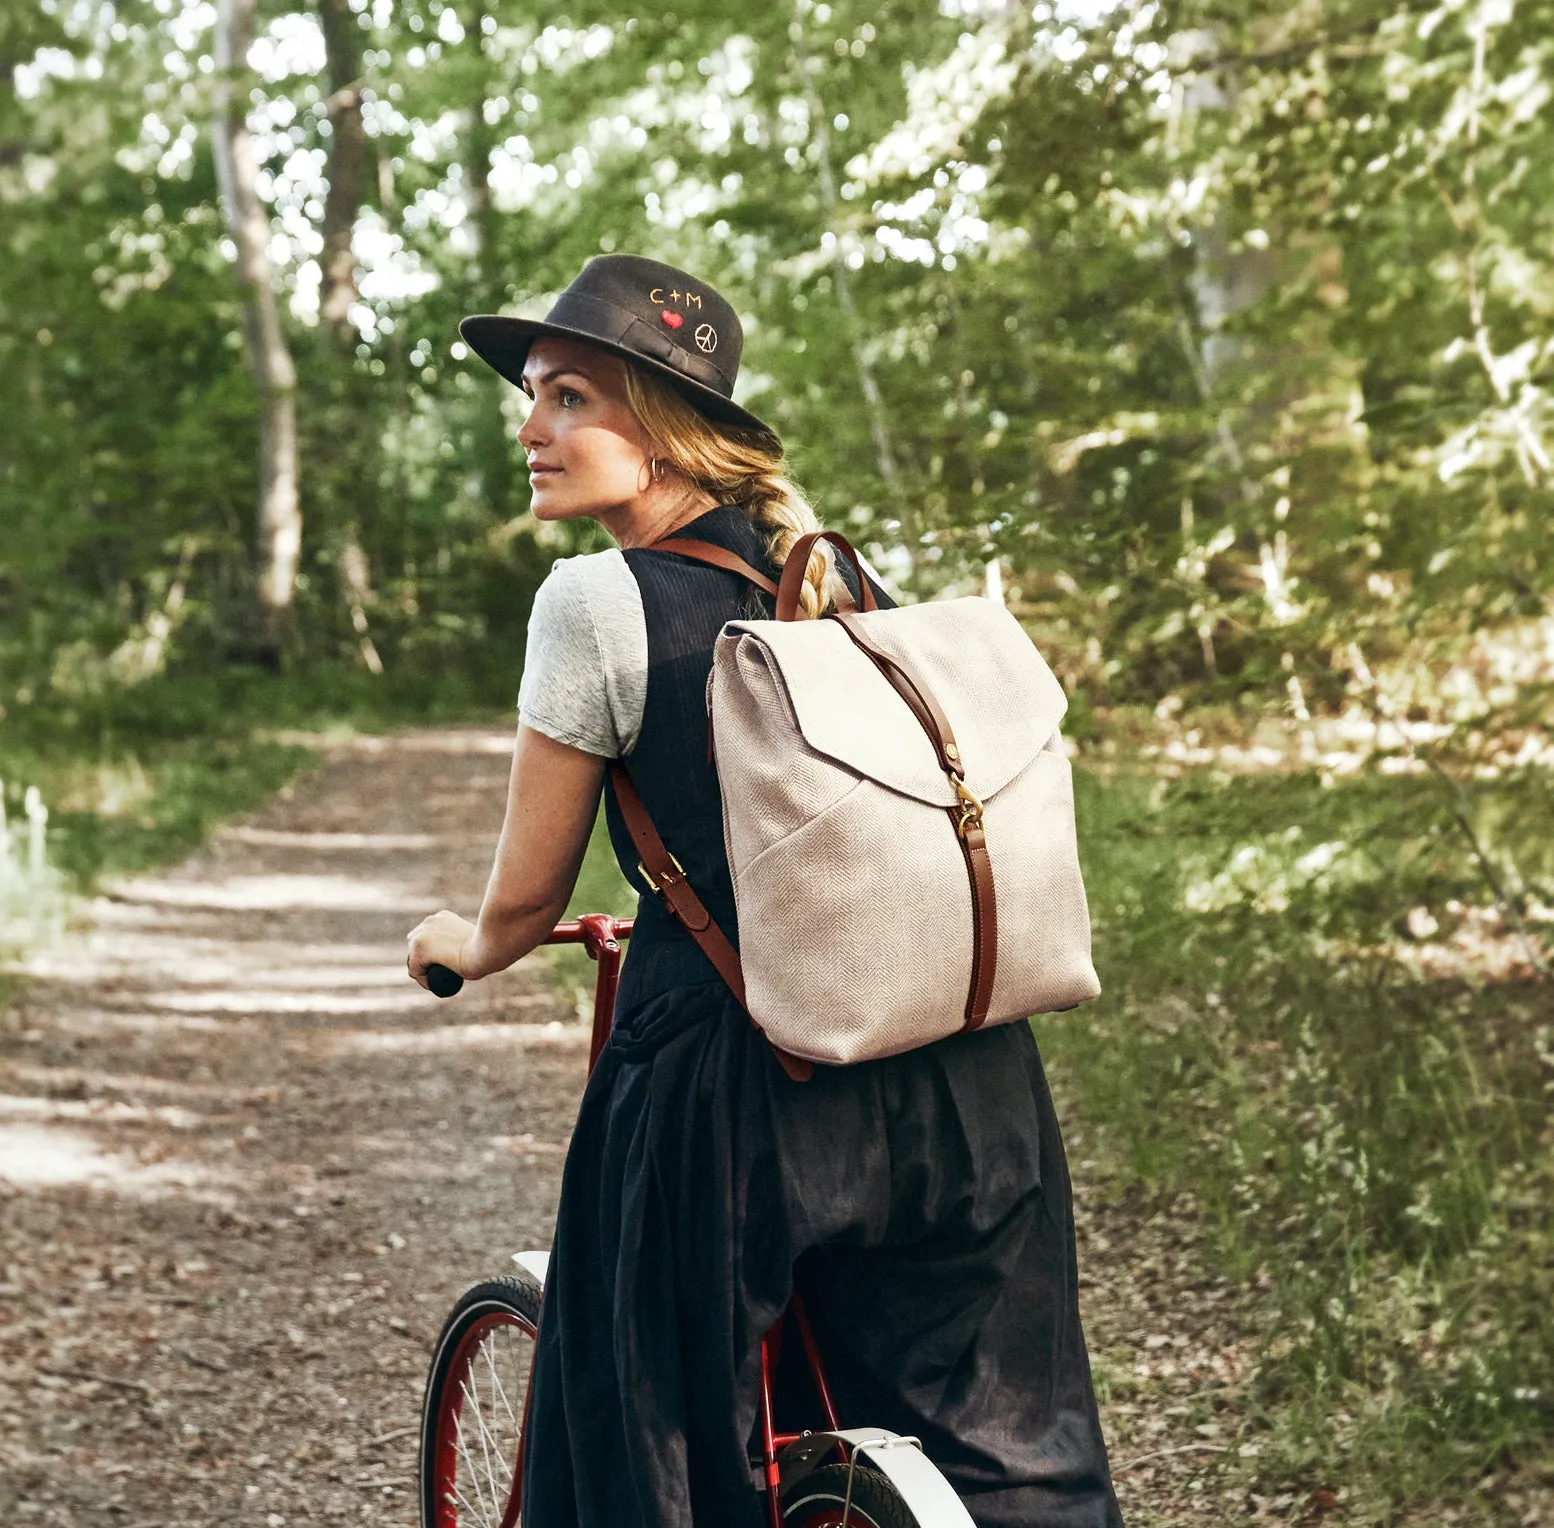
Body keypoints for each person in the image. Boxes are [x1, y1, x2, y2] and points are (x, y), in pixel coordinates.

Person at [406, 254, 1123, 1528]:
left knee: (656, 1444)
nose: (531, 429)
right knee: (1017, 1454)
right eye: (533, 397)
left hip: (741, 1090)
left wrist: (453, 944)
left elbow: (522, 906)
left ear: (665, 426)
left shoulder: (593, 600)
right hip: (967, 1079)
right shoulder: (839, 579)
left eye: (570, 397)